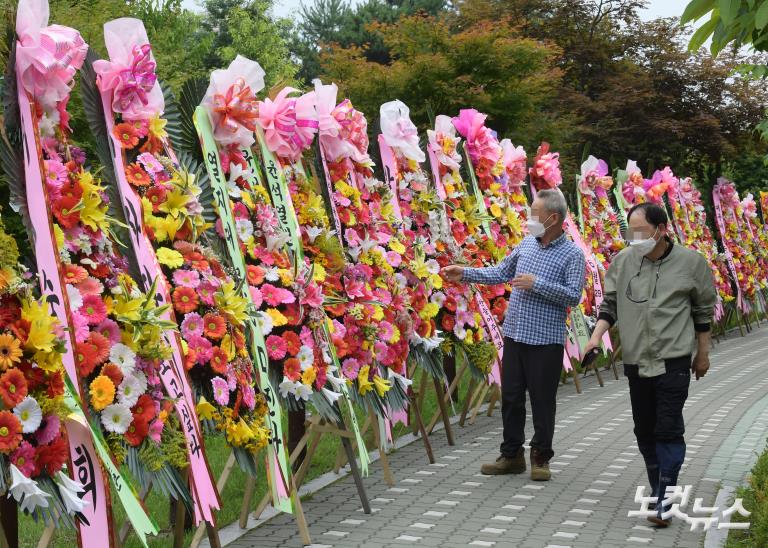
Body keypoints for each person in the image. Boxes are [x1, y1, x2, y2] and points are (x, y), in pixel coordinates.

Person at [584, 202, 716, 527]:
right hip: (636, 361)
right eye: (632, 231)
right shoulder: (623, 261)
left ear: (662, 229)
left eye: (642, 231)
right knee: (644, 428)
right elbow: (610, 305)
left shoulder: (691, 264)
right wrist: (595, 338)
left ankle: (665, 499)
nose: (636, 238)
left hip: (673, 361)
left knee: (667, 427)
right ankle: (659, 486)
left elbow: (702, 312)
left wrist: (702, 354)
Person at [442, 189, 585, 481]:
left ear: (553, 218)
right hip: (516, 335)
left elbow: (573, 296)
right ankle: (511, 455)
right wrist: (465, 273)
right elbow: (500, 272)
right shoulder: (526, 245)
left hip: (546, 340)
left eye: (535, 214)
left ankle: (541, 457)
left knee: (543, 401)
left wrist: (538, 284)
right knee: (511, 397)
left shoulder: (572, 254)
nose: (529, 219)